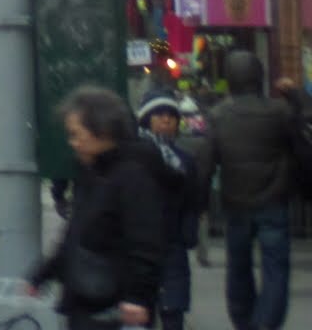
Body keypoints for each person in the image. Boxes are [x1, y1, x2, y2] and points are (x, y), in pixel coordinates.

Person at [30, 87, 163, 330]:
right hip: (87, 300)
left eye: (76, 134)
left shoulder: (133, 176)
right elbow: (76, 234)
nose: (73, 143)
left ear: (102, 131)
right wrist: (43, 274)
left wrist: (137, 297)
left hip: (114, 307)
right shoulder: (91, 172)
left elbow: (147, 244)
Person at [210, 50, 295, 330]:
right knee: (276, 270)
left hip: (236, 202)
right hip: (274, 199)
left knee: (239, 268)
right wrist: (296, 96)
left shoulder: (219, 115)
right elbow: (303, 133)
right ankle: (265, 323)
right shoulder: (280, 111)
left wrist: (196, 203)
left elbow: (206, 162)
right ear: (259, 77)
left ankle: (244, 321)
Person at [138, 90, 212, 330]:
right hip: (140, 250)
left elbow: (195, 199)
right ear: (146, 118)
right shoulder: (133, 156)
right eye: (158, 114)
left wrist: (188, 232)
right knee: (142, 314)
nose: (166, 119)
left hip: (173, 247)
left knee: (174, 311)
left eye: (171, 114)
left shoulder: (184, 160)